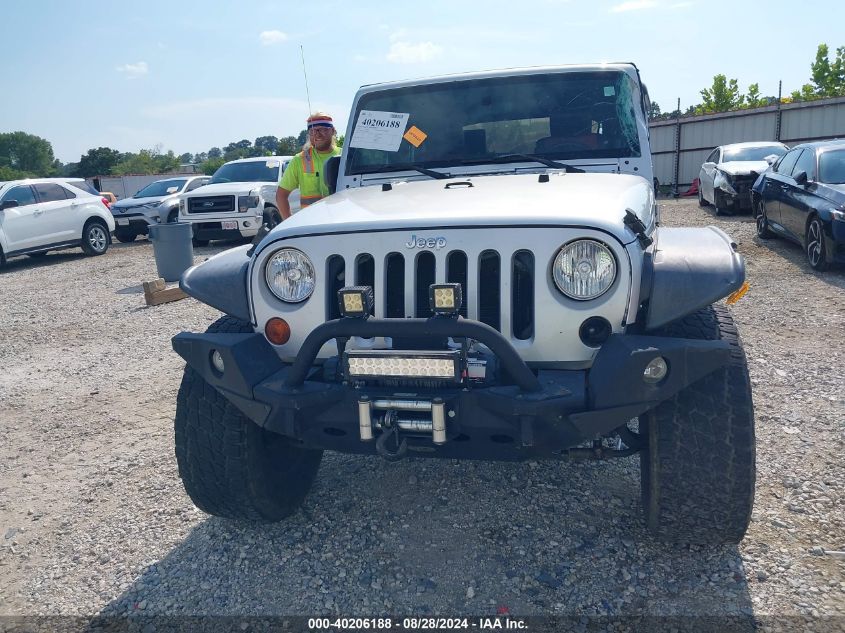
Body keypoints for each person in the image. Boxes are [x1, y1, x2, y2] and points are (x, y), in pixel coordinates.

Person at [276, 112, 341, 220]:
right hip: (310, 225)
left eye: (322, 129)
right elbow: (281, 195)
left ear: (333, 131)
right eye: (312, 131)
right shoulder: (299, 160)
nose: (317, 134)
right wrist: (289, 224)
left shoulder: (345, 157)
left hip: (340, 222)